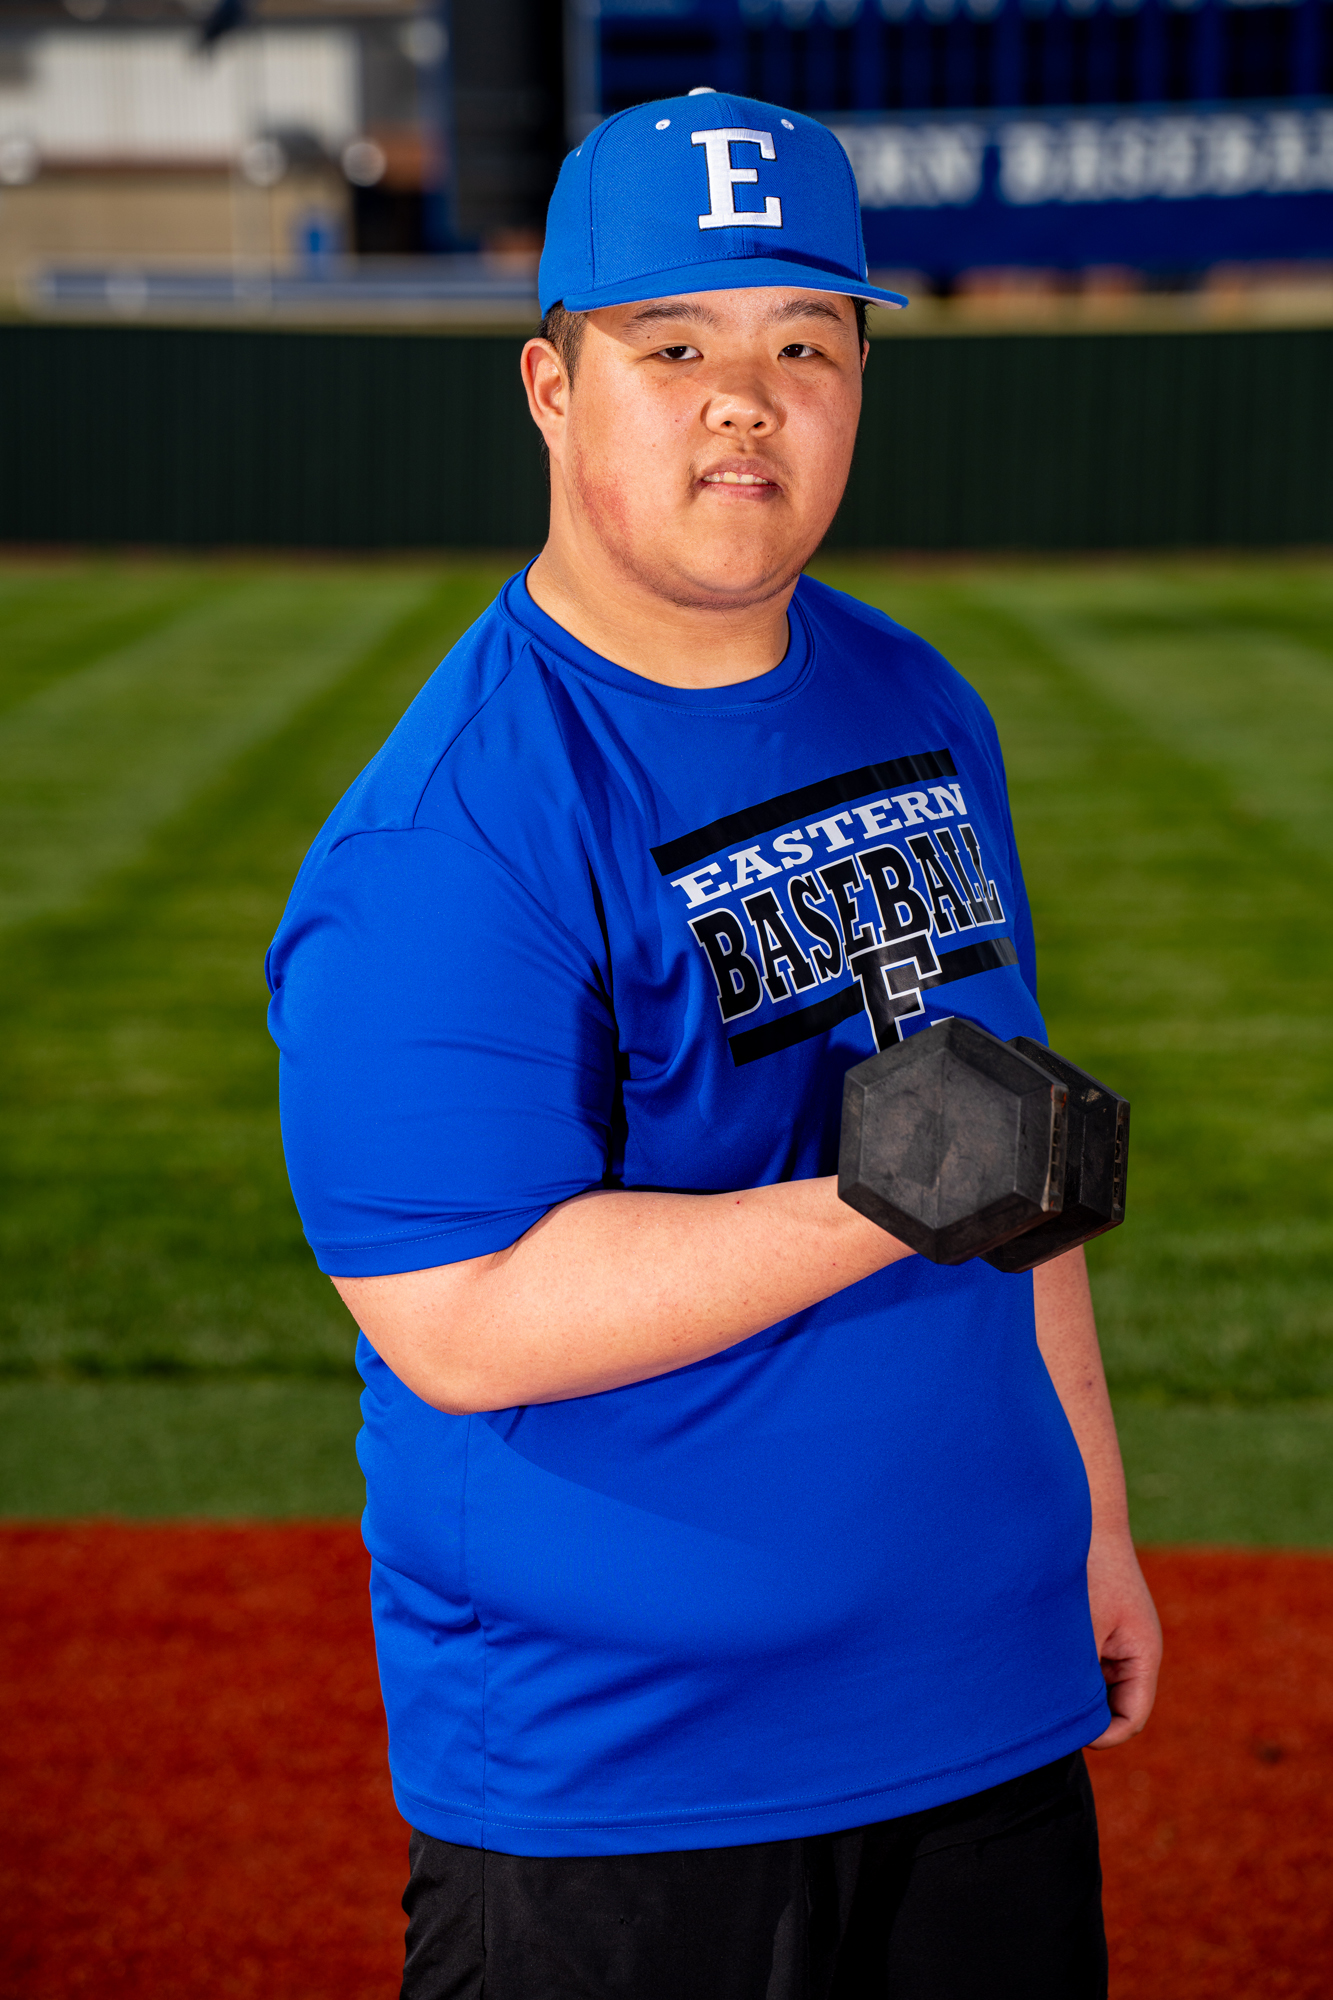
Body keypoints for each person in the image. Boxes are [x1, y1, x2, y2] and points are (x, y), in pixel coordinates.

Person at [266, 92, 1161, 2000]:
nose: (744, 403)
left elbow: (1009, 1152)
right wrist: (866, 1200)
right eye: (672, 347)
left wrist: (1085, 1512)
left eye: (802, 347)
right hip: (631, 1781)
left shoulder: (916, 699)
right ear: (551, 388)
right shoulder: (453, 829)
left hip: (980, 1712)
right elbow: (459, 1314)